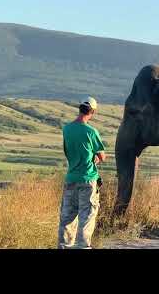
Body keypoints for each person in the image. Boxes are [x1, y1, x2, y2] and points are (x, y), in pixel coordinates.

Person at [58, 96, 106, 249]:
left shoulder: (67, 129)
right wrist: (95, 157)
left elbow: (67, 152)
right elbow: (101, 156)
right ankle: (82, 246)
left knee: (67, 217)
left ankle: (64, 245)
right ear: (92, 112)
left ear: (79, 109)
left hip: (71, 178)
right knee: (86, 217)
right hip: (88, 179)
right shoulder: (91, 131)